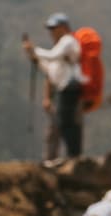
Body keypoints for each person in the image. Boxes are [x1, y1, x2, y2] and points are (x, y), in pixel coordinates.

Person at [23, 13, 84, 160]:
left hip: (70, 87)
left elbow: (52, 56)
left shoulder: (68, 41)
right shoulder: (61, 47)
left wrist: (34, 50)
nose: (51, 31)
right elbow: (51, 71)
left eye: (53, 27)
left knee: (67, 122)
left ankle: (74, 155)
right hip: (63, 88)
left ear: (63, 27)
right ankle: (71, 155)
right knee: (64, 122)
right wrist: (36, 59)